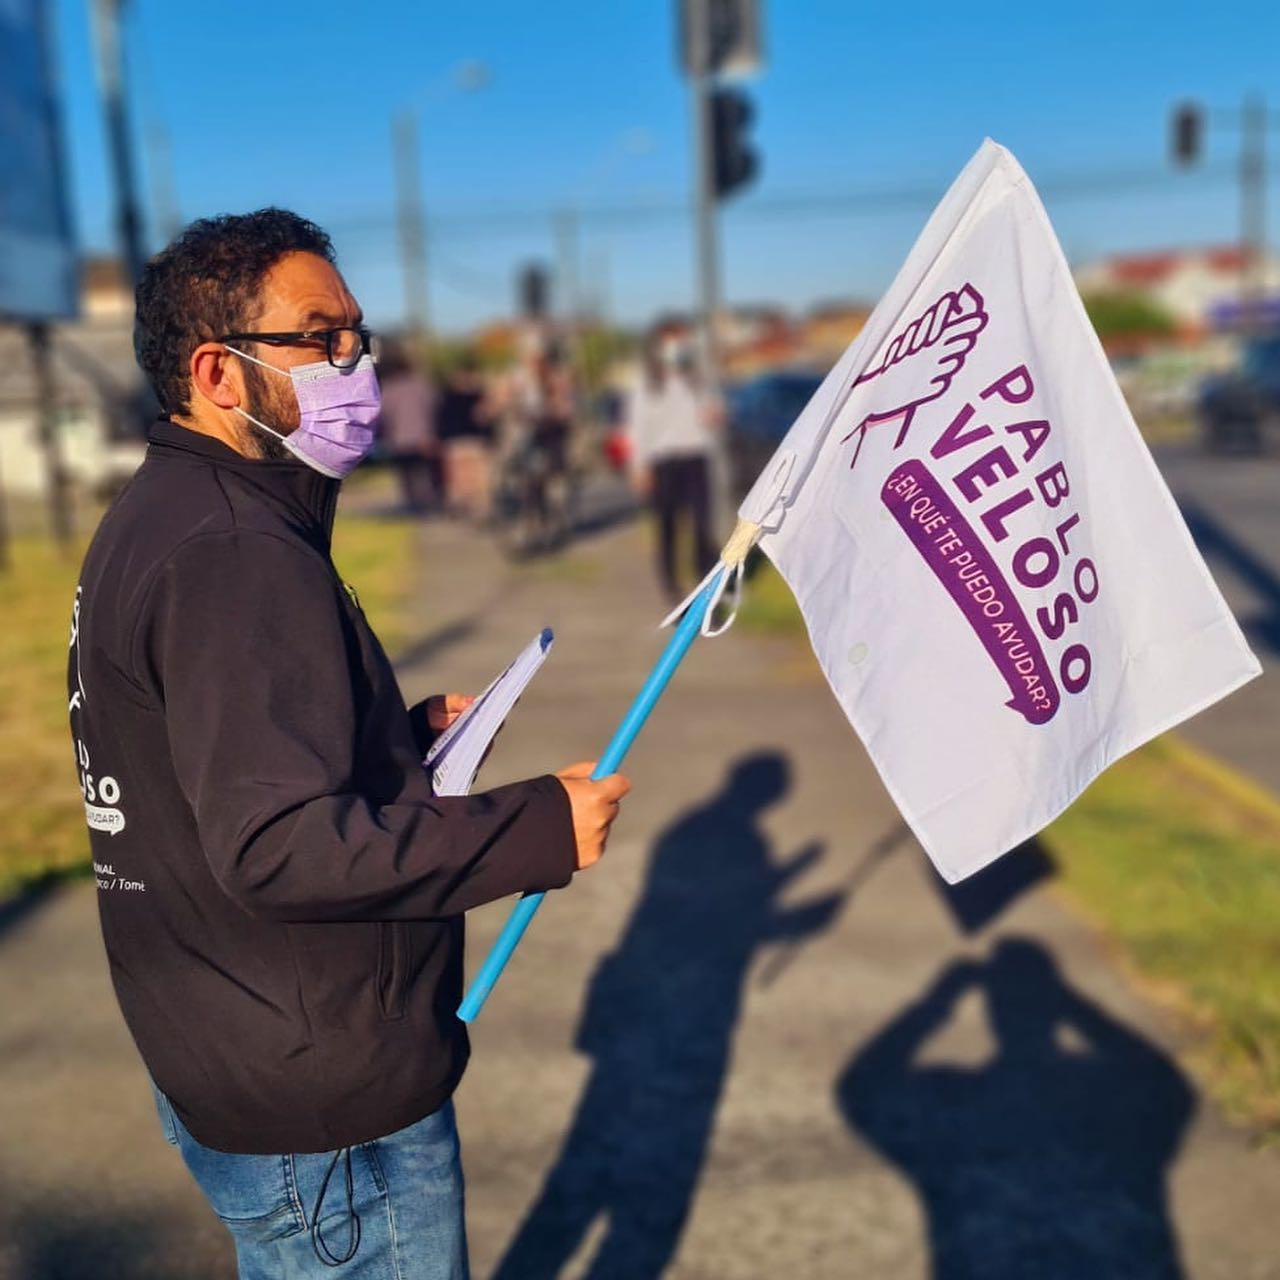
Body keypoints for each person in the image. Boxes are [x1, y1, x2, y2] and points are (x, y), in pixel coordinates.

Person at [67, 208, 630, 1279]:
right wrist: (534, 827)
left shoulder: (176, 512)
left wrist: (395, 744)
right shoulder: (232, 546)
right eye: (317, 336)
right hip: (320, 1104)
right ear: (217, 373)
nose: (352, 362)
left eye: (357, 335)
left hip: (243, 1052)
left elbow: (204, 762)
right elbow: (277, 843)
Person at [626, 326, 721, 603]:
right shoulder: (647, 384)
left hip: (696, 459)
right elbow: (638, 427)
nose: (675, 350)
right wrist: (639, 468)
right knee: (667, 528)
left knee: (703, 526)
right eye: (669, 345)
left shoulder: (697, 379)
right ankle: (672, 590)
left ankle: (706, 594)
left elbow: (714, 411)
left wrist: (715, 415)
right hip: (663, 463)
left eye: (680, 344)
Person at [376, 340, 441, 514]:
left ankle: (412, 504)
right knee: (423, 473)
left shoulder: (390, 387)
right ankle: (427, 503)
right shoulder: (422, 384)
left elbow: (383, 411)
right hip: (423, 437)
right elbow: (434, 405)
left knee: (405, 474)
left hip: (399, 438)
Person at [436, 354, 496, 522]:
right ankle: (474, 509)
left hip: (462, 441)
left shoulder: (448, 396)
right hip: (468, 441)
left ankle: (469, 508)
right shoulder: (477, 395)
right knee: (471, 479)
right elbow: (486, 419)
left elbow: (442, 420)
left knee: (465, 479)